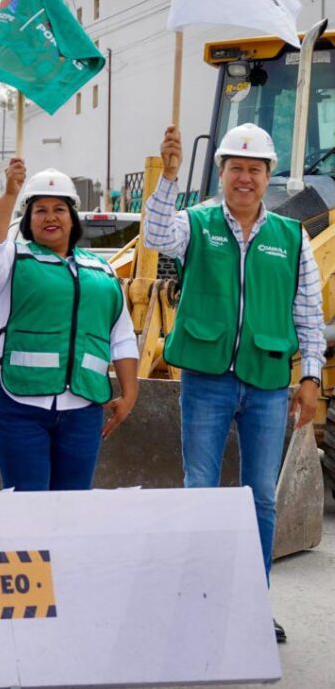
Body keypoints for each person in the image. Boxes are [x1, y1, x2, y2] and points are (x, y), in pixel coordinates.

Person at [144, 123, 326, 643]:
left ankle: (251, 604)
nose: (244, 178)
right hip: (207, 381)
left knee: (261, 498)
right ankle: (198, 603)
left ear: (268, 177)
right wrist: (170, 178)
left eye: (254, 169)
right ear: (221, 173)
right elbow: (157, 236)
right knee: (199, 490)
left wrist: (310, 376)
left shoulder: (291, 238)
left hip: (268, 384)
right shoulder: (196, 224)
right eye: (235, 168)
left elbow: (309, 313)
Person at [0, 160, 139, 491]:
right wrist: (9, 193)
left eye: (59, 209)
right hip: (20, 407)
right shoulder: (11, 262)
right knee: (28, 511)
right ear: (28, 221)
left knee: (72, 513)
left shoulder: (101, 272)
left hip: (83, 410)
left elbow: (120, 337)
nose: (50, 217)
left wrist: (130, 393)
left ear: (72, 217)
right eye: (40, 210)